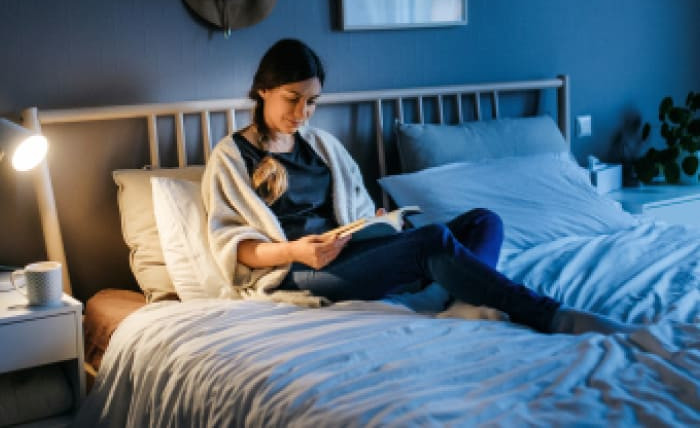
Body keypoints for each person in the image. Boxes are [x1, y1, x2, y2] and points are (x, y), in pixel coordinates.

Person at [202, 38, 640, 335]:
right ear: (262, 91)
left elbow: (353, 207)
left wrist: (373, 221)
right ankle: (550, 315)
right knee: (433, 241)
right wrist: (295, 251)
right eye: (292, 98)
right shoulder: (231, 156)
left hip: (347, 251)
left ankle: (459, 295)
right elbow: (233, 244)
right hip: (296, 270)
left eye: (312, 101)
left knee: (484, 221)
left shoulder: (322, 145)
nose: (302, 112)